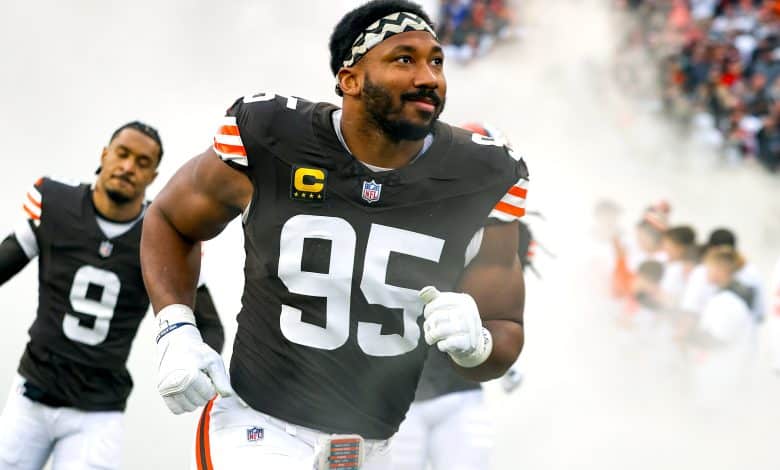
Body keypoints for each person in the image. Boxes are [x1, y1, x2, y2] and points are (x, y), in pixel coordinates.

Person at [139, 1, 529, 468]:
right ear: (351, 80)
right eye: (404, 58)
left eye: (437, 61)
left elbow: (505, 325)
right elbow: (169, 219)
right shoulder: (272, 136)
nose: (429, 77)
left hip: (375, 447)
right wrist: (176, 328)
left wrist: (477, 345)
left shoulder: (483, 175)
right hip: (259, 426)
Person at [0, 122, 224, 470]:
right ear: (104, 154)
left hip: (98, 411)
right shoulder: (54, 204)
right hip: (32, 392)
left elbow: (209, 325)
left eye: (142, 162)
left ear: (154, 175)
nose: (128, 167)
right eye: (122, 154)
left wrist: (194, 365)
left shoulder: (165, 232)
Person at [391, 122, 526, 470]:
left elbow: (503, 303)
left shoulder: (503, 227)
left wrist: (494, 347)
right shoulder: (400, 211)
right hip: (396, 393)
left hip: (460, 390)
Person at [686, 247, 754, 411]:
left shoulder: (727, 301)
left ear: (720, 269)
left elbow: (718, 339)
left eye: (708, 268)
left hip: (722, 376)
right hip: (715, 376)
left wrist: (688, 336)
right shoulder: (722, 297)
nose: (705, 273)